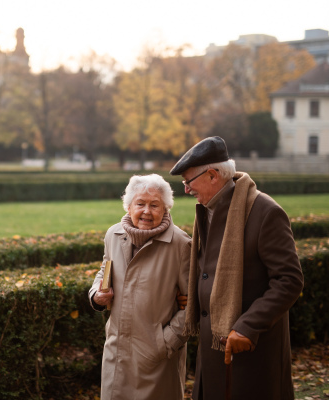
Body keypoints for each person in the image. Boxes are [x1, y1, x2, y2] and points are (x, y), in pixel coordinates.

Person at [169, 136, 304, 400]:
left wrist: (248, 326)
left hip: (251, 348)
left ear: (212, 176)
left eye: (188, 181)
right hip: (213, 347)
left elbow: (289, 280)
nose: (186, 189)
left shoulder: (265, 212)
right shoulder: (209, 208)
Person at [88, 174, 191, 400]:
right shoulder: (113, 235)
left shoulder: (181, 244)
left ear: (165, 208)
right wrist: (96, 294)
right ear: (129, 206)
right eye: (140, 204)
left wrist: (166, 342)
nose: (146, 211)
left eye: (154, 205)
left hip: (157, 357)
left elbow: (192, 304)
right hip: (117, 351)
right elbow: (103, 272)